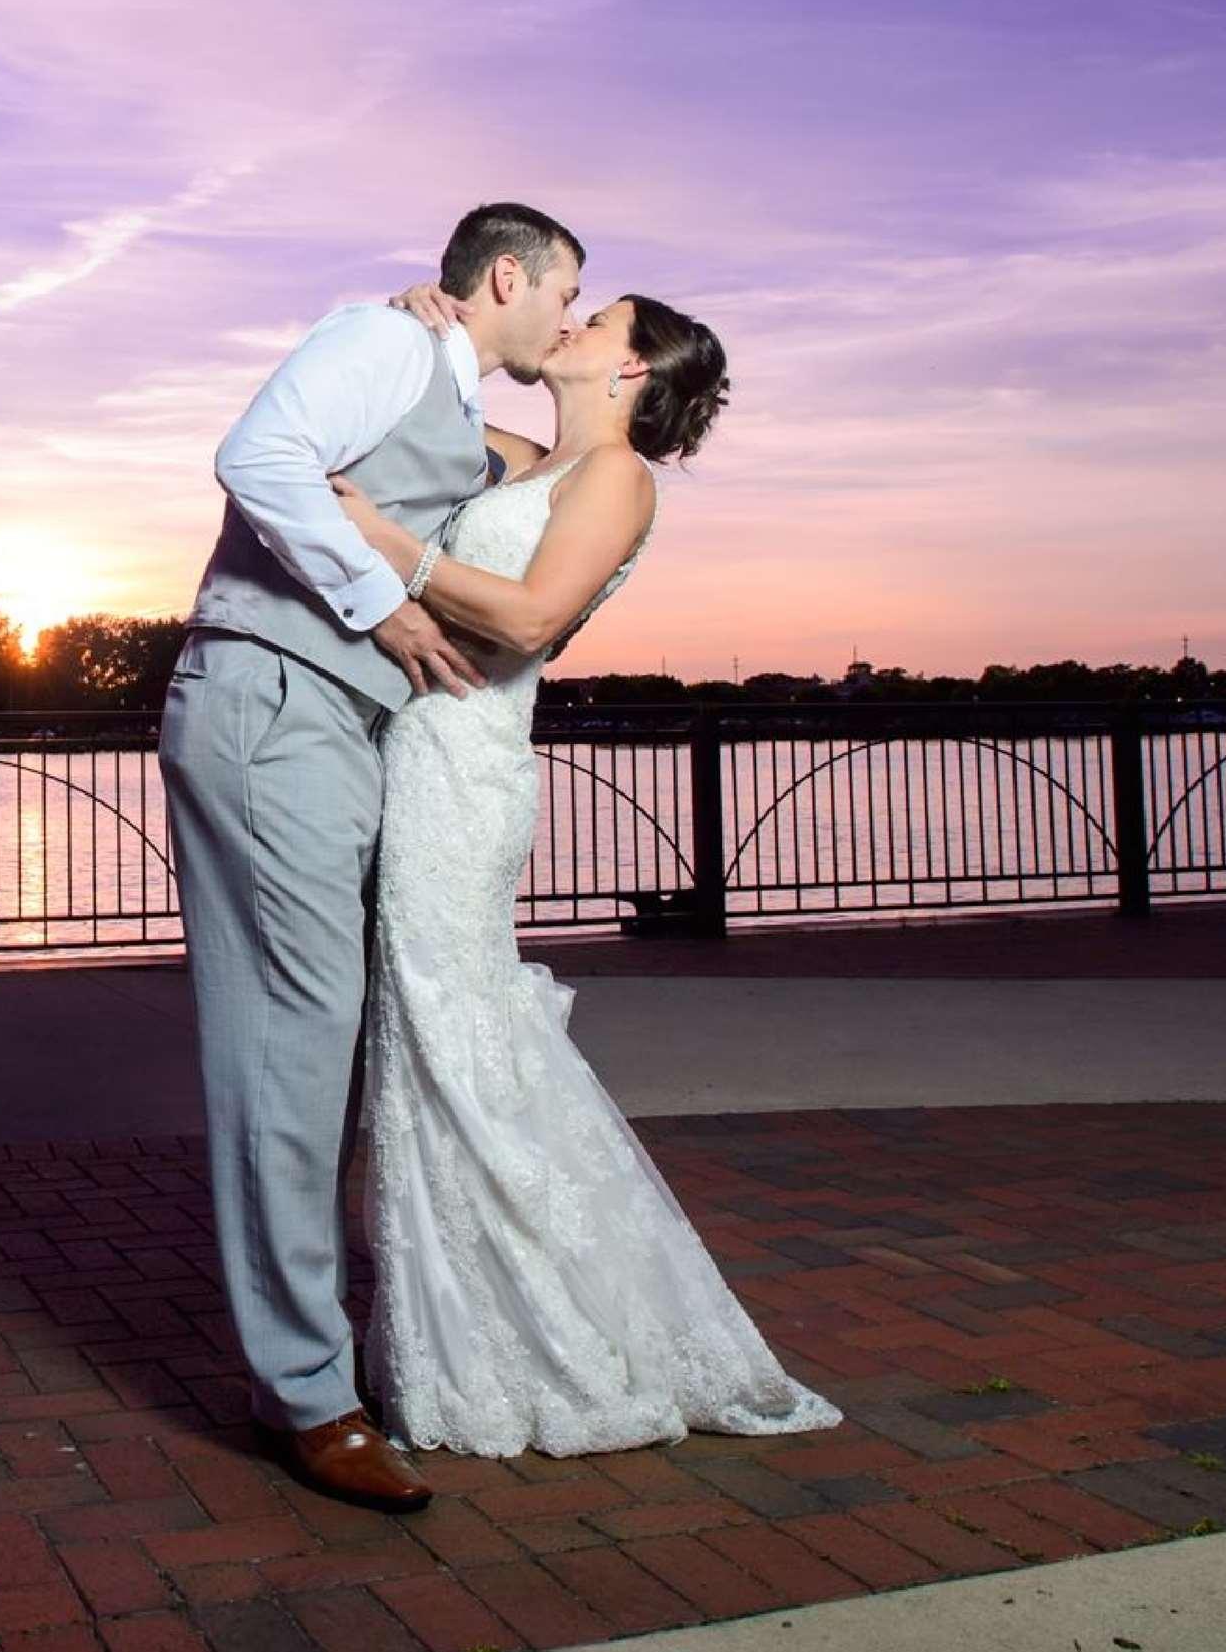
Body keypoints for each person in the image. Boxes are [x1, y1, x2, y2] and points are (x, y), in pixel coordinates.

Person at [330, 287, 839, 1457]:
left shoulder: (618, 478)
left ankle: (537, 1333)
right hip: (410, 757)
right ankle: (461, 1325)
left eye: (597, 321)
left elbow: (532, 616)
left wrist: (390, 545)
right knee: (423, 1041)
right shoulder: (518, 459)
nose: (569, 327)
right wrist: (432, 324)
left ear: (631, 373)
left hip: (463, 775)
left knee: (455, 1039)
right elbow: (424, 415)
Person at [161, 203, 590, 1511]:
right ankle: (309, 1394)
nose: (568, 318)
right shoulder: (381, 341)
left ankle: (298, 1367)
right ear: (506, 275)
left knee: (307, 1042)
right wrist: (383, 608)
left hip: (326, 723)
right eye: (564, 291)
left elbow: (536, 491)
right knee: (303, 1033)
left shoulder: (445, 392)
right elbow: (257, 453)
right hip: (275, 699)